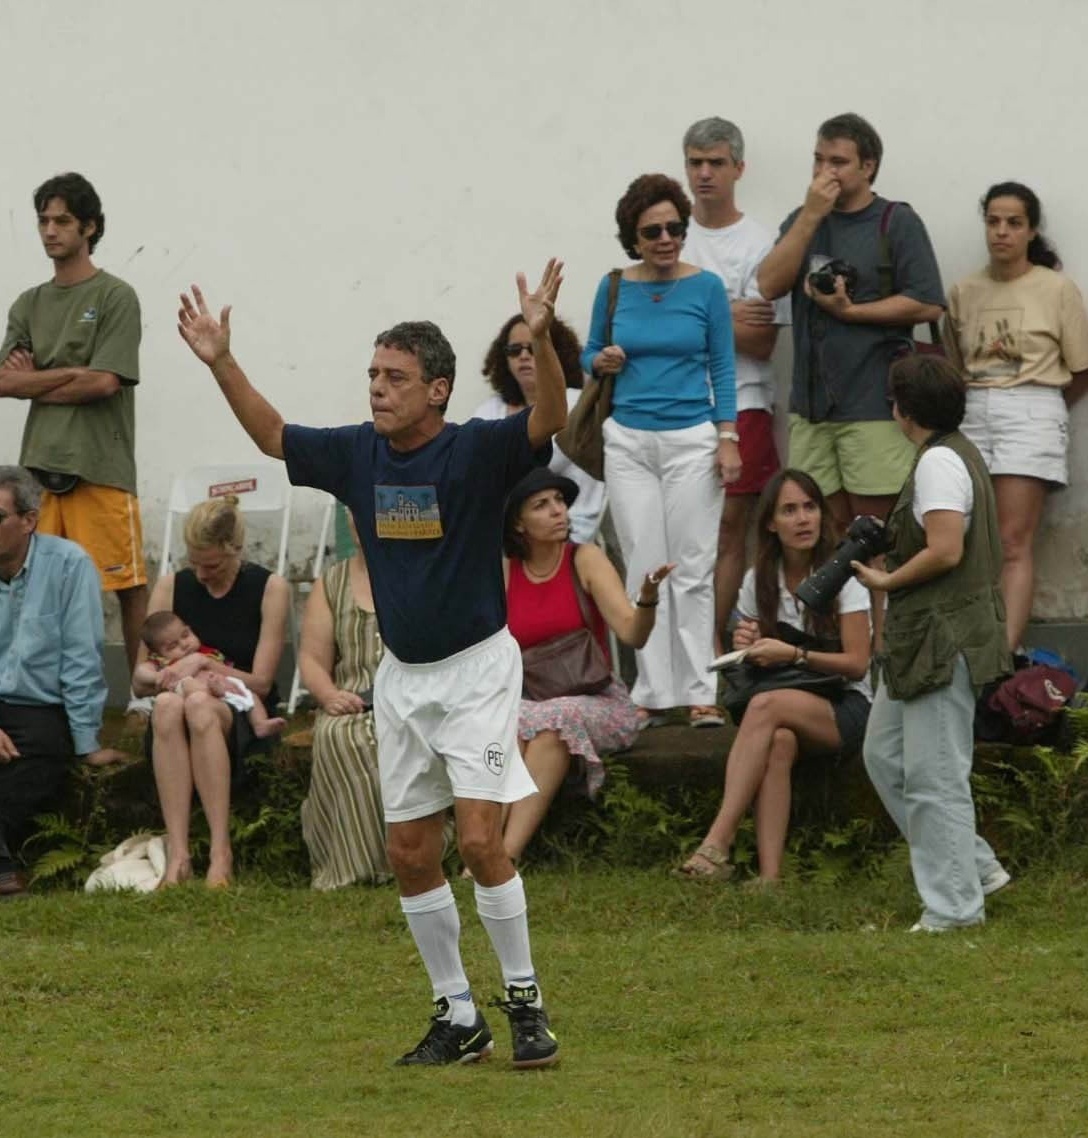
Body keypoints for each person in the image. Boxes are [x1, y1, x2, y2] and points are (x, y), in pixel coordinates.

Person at [175, 261, 566, 1070]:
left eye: (396, 378)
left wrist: (541, 334)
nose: (378, 390)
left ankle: (525, 1001)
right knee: (410, 854)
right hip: (404, 679)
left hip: (478, 673)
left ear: (439, 391)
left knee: (482, 842)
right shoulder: (358, 455)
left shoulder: (479, 450)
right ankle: (458, 1016)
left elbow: (549, 416)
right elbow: (273, 436)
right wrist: (221, 362)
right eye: (373, 375)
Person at [854, 355, 1013, 932]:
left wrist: (885, 580)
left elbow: (945, 548)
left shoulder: (939, 462)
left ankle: (954, 908)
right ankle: (975, 866)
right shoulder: (947, 455)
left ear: (904, 409)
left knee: (934, 775)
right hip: (926, 640)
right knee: (885, 756)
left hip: (941, 639)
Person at [582, 173, 738, 728]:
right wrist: (600, 362)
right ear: (634, 236)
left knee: (694, 568)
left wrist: (728, 436)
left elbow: (723, 365)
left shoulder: (707, 289)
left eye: (675, 227)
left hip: (692, 440)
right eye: (653, 231)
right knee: (643, 569)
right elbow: (588, 353)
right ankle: (651, 691)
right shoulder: (615, 286)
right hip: (627, 441)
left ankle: (700, 691)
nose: (666, 239)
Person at [676, 469, 871, 883]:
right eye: (789, 510)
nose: (803, 519)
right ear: (770, 523)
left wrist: (794, 653)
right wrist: (747, 643)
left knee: (765, 707)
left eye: (810, 507)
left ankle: (716, 842)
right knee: (778, 742)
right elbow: (751, 662)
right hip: (789, 701)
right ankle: (770, 878)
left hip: (847, 705)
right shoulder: (758, 579)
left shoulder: (844, 576)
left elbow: (858, 664)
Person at [758, 113, 946, 533]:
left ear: (868, 166)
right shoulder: (801, 220)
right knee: (821, 535)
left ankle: (877, 603)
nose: (825, 171)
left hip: (874, 407)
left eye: (838, 162)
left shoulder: (896, 222)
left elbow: (929, 303)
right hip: (810, 412)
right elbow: (769, 284)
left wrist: (853, 312)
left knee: (874, 534)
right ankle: (843, 604)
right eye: (818, 160)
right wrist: (810, 216)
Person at [0, 173, 147, 696]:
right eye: (42, 220)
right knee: (32, 586)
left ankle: (142, 696)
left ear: (89, 226)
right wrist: (70, 375)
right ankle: (35, 698)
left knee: (125, 584)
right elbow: (3, 381)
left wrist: (34, 381)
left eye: (61, 220)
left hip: (99, 464)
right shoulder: (28, 303)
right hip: (37, 470)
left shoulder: (115, 296)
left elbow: (106, 381)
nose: (49, 231)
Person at [945, 181, 1088, 653]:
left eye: (1013, 223)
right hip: (972, 410)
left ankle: (1002, 657)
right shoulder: (964, 291)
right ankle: (966, 648)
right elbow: (953, 367)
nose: (1001, 232)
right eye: (993, 221)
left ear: (1031, 230)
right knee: (968, 542)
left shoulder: (1055, 288)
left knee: (1012, 540)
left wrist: (1041, 412)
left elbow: (1084, 370)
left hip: (1032, 406)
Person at [502, 468, 672, 862]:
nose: (558, 511)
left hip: (595, 699)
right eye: (541, 506)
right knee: (509, 727)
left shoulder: (585, 558)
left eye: (560, 502)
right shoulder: (506, 570)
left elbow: (633, 635)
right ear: (518, 522)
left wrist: (647, 600)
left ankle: (503, 859)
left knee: (555, 720)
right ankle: (485, 852)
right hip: (531, 700)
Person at [132, 497, 290, 889]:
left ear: (235, 549)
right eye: (195, 563)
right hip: (179, 702)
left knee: (200, 705)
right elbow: (138, 681)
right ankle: (180, 854)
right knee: (168, 705)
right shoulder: (172, 587)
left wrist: (203, 665)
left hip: (238, 705)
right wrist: (173, 673)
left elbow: (262, 682)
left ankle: (221, 852)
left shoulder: (269, 588)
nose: (201, 574)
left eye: (213, 565)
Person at [681, 116, 791, 650]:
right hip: (674, 404)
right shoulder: (667, 233)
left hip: (742, 401)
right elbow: (653, 325)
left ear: (738, 168)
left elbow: (762, 341)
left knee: (729, 531)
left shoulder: (759, 241)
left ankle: (710, 650)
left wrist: (691, 312)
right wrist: (725, 313)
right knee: (682, 536)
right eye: (696, 163)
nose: (705, 174)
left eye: (716, 163)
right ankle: (678, 656)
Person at [0, 466, 122, 900]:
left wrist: (87, 742)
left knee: (47, 755)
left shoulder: (69, 565)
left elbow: (81, 656)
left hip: (37, 708)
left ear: (29, 520)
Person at [297, 519, 391, 890]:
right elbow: (311, 659)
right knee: (342, 737)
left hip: (412, 697)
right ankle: (353, 865)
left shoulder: (418, 574)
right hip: (350, 699)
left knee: (396, 736)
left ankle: (411, 854)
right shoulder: (331, 583)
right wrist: (329, 695)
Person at [476, 314, 605, 542]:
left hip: (572, 533)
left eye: (533, 347)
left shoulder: (578, 404)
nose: (524, 356)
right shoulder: (490, 411)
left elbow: (546, 463)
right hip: (508, 537)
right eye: (515, 350)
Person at [139, 610, 285, 739]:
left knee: (251, 695)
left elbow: (227, 672)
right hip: (197, 701)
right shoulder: (162, 663)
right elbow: (141, 673)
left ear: (190, 630)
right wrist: (156, 676)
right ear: (158, 653)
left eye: (185, 635)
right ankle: (214, 693)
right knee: (191, 685)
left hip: (225, 696)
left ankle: (259, 724)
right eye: (173, 646)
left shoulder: (209, 653)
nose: (184, 644)